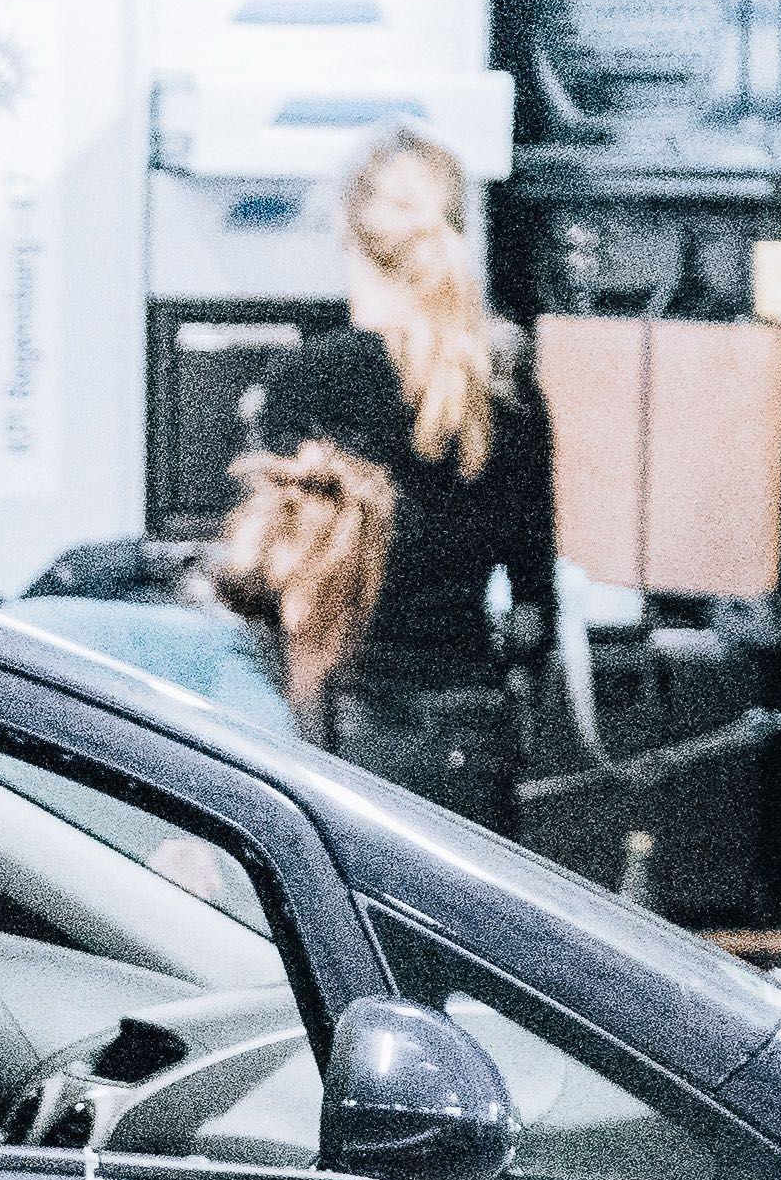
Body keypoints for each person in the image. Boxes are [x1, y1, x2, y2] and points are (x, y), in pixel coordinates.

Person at [207, 125, 540, 830]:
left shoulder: (310, 382)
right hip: (475, 730)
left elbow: (265, 588)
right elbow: (533, 610)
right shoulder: (507, 389)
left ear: (346, 231)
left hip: (349, 729)